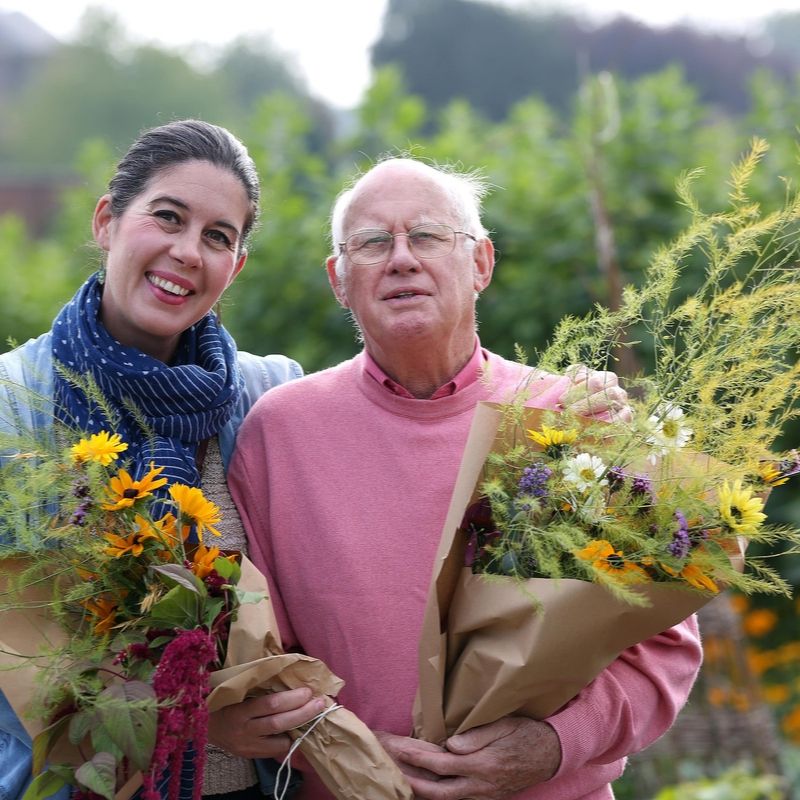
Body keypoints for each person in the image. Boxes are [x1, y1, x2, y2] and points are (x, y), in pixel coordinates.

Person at [224, 157, 704, 799]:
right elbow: (262, 662)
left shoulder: (573, 422)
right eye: (372, 242)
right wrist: (345, 747)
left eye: (425, 235)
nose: (400, 259)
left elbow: (664, 649)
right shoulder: (278, 434)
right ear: (340, 280)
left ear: (481, 262)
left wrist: (556, 744)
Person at [0, 119, 322, 800]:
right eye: (167, 217)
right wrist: (194, 719)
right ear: (108, 221)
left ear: (235, 267)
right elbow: (22, 650)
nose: (186, 252)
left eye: (217, 237)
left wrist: (564, 399)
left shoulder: (270, 394)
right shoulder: (12, 404)